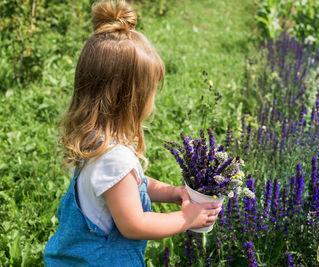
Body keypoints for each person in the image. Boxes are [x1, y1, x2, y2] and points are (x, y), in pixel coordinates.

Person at [43, 1, 222, 265]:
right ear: (128, 99)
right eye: (150, 92)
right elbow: (134, 225)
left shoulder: (96, 143)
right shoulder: (113, 158)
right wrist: (188, 218)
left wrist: (173, 192)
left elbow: (128, 185)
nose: (153, 100)